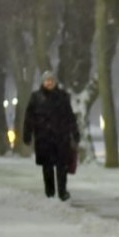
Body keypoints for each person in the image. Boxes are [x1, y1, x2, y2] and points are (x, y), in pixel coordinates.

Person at [22, 71, 79, 201]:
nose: (49, 83)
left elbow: (70, 117)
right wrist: (27, 134)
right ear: (43, 82)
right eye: (46, 80)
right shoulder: (36, 98)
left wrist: (74, 133)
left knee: (62, 166)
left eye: (51, 80)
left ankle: (62, 192)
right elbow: (29, 117)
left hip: (61, 137)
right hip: (44, 138)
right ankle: (49, 192)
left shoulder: (63, 97)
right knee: (47, 167)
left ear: (55, 82)